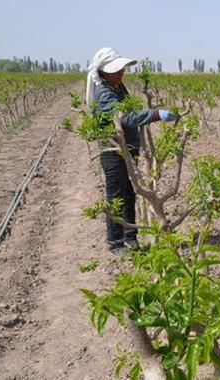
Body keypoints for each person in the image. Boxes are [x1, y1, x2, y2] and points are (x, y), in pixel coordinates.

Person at [85, 47, 177, 256]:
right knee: (116, 195)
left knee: (129, 192)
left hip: (127, 149)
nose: (120, 74)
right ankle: (115, 242)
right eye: (115, 71)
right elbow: (126, 117)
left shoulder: (117, 86)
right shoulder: (105, 92)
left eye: (121, 70)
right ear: (102, 73)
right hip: (114, 152)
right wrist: (156, 114)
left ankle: (130, 236)